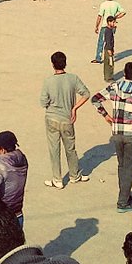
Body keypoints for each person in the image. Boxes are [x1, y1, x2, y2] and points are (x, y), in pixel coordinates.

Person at [92, 62, 132, 211]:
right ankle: (122, 202)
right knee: (128, 168)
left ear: (124, 73)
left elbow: (95, 99)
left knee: (122, 166)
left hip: (116, 133)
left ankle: (125, 194)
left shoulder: (114, 87)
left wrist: (106, 115)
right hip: (131, 134)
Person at [39, 51, 91, 189]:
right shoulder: (73, 78)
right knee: (70, 148)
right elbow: (86, 94)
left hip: (51, 119)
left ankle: (57, 179)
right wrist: (74, 108)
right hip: (68, 119)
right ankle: (74, 176)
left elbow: (43, 102)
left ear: (52, 64)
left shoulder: (48, 81)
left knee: (54, 149)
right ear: (65, 63)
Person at [94, 0, 126, 64]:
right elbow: (123, 12)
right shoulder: (116, 4)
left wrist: (96, 26)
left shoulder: (103, 4)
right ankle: (110, 56)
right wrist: (116, 17)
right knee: (110, 41)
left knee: (101, 42)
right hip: (113, 26)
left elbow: (100, 16)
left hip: (105, 25)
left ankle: (98, 58)